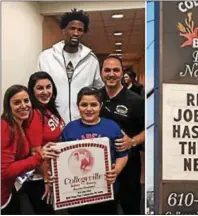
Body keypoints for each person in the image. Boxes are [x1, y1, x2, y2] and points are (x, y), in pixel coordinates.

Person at [61, 87, 128, 215]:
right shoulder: (69, 129)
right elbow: (62, 161)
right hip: (77, 194)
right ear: (78, 106)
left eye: (93, 104)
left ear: (100, 106)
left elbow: (123, 155)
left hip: (106, 191)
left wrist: (116, 170)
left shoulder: (112, 127)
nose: (89, 109)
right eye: (84, 104)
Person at [38, 8, 104, 124]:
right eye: (72, 28)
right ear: (64, 30)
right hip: (53, 123)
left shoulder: (91, 60)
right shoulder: (46, 57)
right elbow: (36, 90)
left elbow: (98, 90)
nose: (75, 33)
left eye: (80, 30)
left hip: (82, 124)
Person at [1, 85, 59, 215]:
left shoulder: (19, 123)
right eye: (17, 102)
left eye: (26, 101)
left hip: (9, 190)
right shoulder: (6, 128)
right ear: (8, 106)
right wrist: (39, 157)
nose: (24, 105)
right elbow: (4, 171)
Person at [100, 55, 145, 214]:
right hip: (101, 167)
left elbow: (150, 129)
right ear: (101, 73)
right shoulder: (96, 98)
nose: (111, 74)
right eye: (107, 70)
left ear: (122, 73)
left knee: (130, 207)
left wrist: (132, 141)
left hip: (129, 166)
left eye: (115, 70)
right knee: (104, 209)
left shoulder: (137, 101)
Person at [23, 72, 65, 214]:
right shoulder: (34, 114)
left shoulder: (49, 109)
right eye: (40, 88)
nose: (45, 92)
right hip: (39, 178)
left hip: (51, 172)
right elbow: (36, 151)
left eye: (48, 87)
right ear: (32, 91)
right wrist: (46, 180)